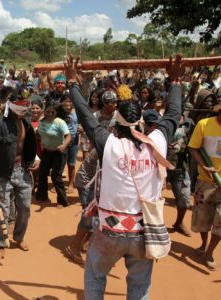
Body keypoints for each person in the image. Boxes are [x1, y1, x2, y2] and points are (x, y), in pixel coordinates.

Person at [65, 55, 182, 299]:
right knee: (139, 288)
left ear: (116, 123)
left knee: (95, 276)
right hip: (144, 232)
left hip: (110, 231)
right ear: (141, 122)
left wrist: (72, 83)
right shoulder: (157, 141)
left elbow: (85, 115)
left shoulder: (109, 144)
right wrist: (176, 81)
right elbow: (173, 114)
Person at [0, 88, 39, 259]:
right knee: (3, 211)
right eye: (21, 109)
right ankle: (1, 243)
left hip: (22, 171)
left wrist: (34, 159)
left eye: (25, 109)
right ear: (12, 106)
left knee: (25, 208)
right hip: (2, 174)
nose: (24, 112)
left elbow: (29, 144)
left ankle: (18, 237)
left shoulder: (27, 122)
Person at [188, 103, 221, 271]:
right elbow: (193, 148)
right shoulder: (204, 124)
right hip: (205, 181)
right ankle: (203, 244)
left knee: (220, 221)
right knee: (203, 218)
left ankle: (209, 252)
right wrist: (204, 166)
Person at [35, 101, 71, 207]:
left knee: (56, 177)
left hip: (59, 153)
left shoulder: (59, 122)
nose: (49, 113)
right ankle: (42, 196)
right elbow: (39, 134)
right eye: (48, 111)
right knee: (42, 174)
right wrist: (42, 140)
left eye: (52, 112)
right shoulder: (41, 122)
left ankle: (62, 201)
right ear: (44, 111)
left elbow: (68, 136)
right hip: (46, 152)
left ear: (56, 113)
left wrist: (63, 146)